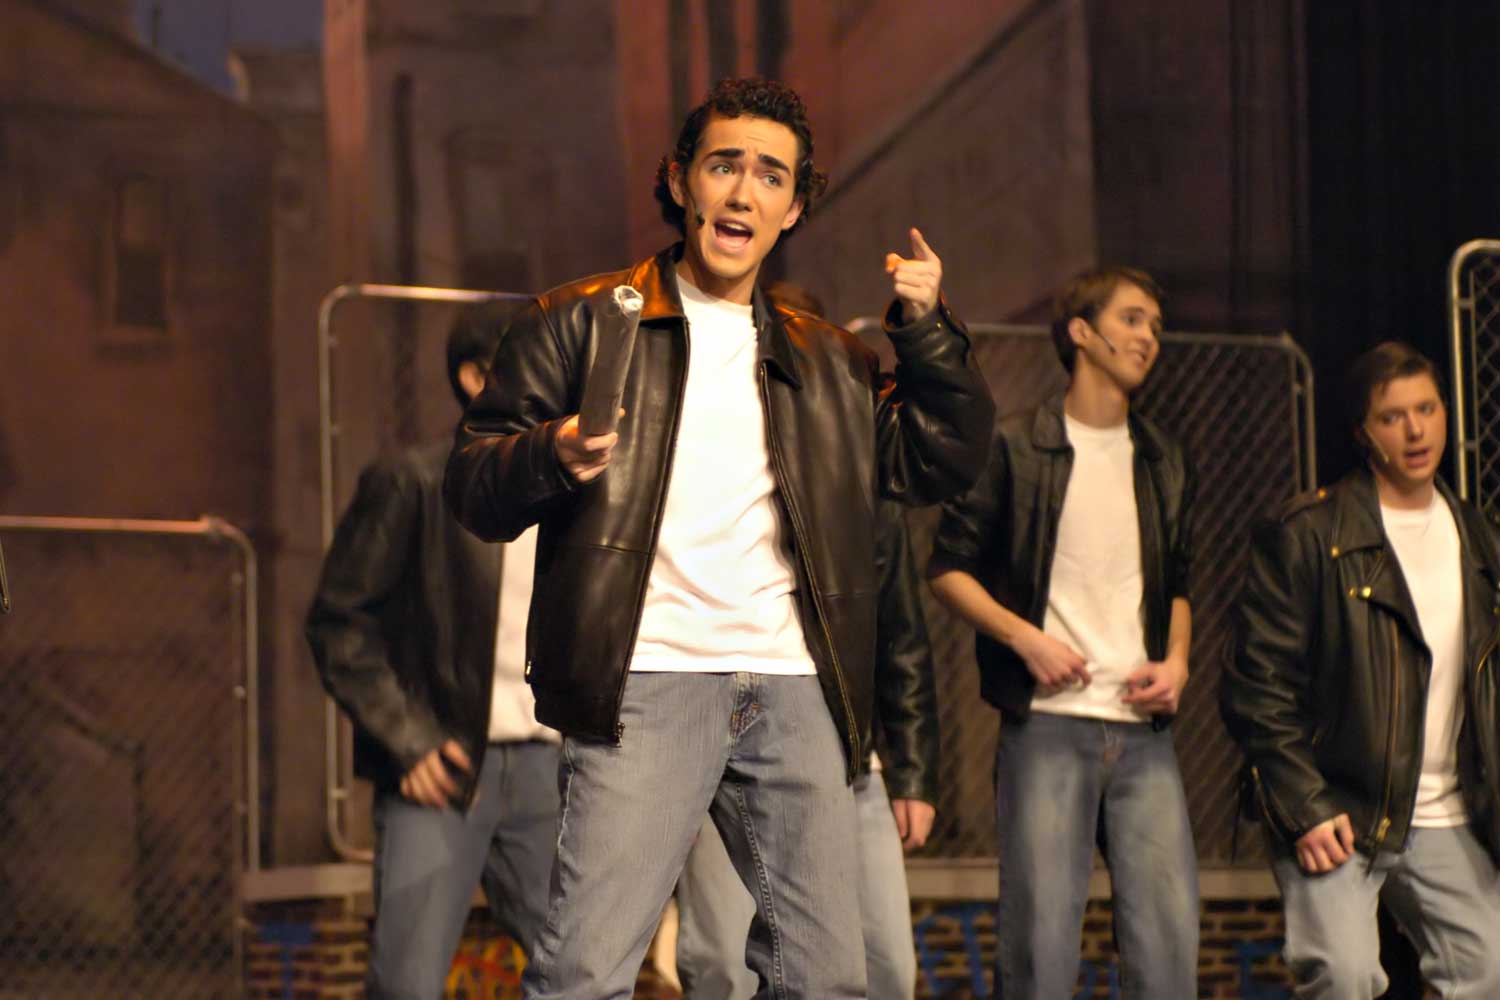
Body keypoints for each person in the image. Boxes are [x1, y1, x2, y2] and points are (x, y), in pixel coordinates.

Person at [444, 77, 993, 999]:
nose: (743, 192)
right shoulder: (579, 320)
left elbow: (942, 459)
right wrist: (552, 455)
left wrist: (928, 332)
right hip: (647, 681)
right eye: (723, 166)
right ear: (680, 180)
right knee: (585, 974)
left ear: (794, 207)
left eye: (771, 176)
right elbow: (473, 486)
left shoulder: (830, 360)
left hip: (796, 686)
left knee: (826, 982)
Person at [928, 267, 1199, 999]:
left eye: (1155, 326)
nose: (1149, 337)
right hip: (1047, 726)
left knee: (1168, 951)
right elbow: (947, 569)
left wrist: (1177, 663)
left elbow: (1178, 583)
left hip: (1144, 732)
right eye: (1132, 319)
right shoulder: (1016, 446)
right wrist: (1028, 639)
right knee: (1041, 952)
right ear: (1081, 331)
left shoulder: (1163, 458)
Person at [673, 282, 939, 1000]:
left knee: (884, 969)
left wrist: (913, 773)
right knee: (723, 967)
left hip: (850, 759)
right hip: (723, 748)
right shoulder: (704, 472)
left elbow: (902, 638)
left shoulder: (863, 487)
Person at [1222, 341, 1500, 999]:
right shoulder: (1309, 533)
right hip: (1337, 804)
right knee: (1344, 976)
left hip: (1445, 809)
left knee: (1490, 968)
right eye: (1392, 417)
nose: (1415, 431)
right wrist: (1304, 805)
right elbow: (1256, 684)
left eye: (1426, 409)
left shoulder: (1480, 539)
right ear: (1363, 433)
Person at [306, 303, 559, 1000]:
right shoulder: (412, 482)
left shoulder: (569, 494)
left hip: (551, 769)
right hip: (444, 770)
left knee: (584, 977)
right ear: (476, 378)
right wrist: (408, 741)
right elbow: (338, 622)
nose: (555, 379)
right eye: (533, 362)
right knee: (407, 983)